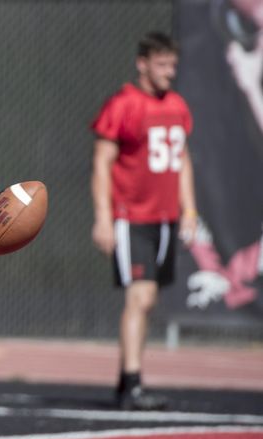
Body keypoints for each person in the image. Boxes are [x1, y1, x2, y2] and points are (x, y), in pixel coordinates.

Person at [90, 32, 198, 411]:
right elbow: (102, 163)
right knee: (141, 295)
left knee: (148, 300)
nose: (170, 72)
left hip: (165, 218)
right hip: (130, 217)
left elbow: (182, 160)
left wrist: (189, 209)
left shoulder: (178, 106)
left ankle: (126, 381)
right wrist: (103, 217)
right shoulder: (123, 105)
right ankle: (132, 384)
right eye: (163, 64)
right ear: (143, 63)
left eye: (173, 64)